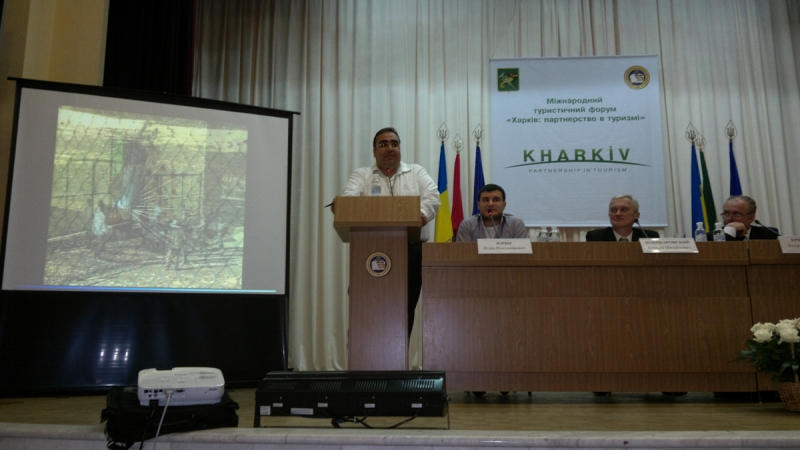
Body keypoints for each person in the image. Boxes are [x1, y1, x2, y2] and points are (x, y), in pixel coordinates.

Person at [339, 127, 440, 336]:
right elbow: (349, 198)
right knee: (367, 305)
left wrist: (419, 215)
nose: (390, 148)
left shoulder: (416, 172)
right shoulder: (362, 175)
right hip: (370, 249)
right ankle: (364, 354)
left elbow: (432, 196)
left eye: (394, 143)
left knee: (405, 308)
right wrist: (345, 207)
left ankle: (400, 354)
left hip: (411, 250)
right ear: (374, 151)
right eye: (383, 144)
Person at [456, 183, 528, 242]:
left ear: (504, 205)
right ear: (478, 205)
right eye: (485, 200)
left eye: (496, 200)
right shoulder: (468, 225)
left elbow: (521, 253)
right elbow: (464, 253)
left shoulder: (515, 224)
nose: (490, 204)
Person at [586, 194, 660, 242]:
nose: (618, 214)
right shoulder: (596, 237)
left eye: (624, 210)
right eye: (613, 210)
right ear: (609, 215)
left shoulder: (649, 237)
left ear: (636, 215)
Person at [709, 195, 779, 241]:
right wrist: (729, 230)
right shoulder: (712, 236)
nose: (729, 218)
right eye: (726, 213)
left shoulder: (769, 235)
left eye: (736, 214)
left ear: (751, 217)